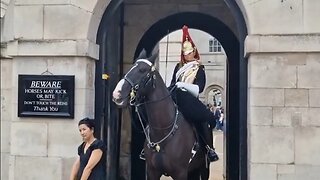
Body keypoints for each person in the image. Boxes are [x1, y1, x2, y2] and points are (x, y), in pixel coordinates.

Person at [168, 25, 219, 162]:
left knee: (203, 118)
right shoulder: (178, 67)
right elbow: (173, 82)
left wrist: (182, 85)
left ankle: (209, 149)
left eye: (189, 52)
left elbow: (200, 87)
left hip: (190, 100)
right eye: (185, 53)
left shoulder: (199, 68)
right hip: (176, 97)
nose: (187, 55)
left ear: (194, 52)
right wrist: (173, 87)